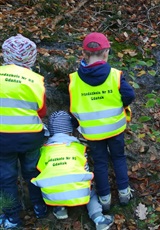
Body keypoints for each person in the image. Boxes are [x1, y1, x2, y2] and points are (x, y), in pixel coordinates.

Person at [68, 32, 136, 211]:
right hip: (115, 128)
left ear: (84, 54)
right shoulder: (115, 75)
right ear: (106, 53)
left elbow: (74, 107)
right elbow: (130, 95)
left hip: (92, 132)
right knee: (118, 158)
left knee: (100, 163)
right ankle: (124, 193)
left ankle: (104, 200)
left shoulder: (74, 80)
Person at [31, 111, 114, 230]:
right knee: (91, 192)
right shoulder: (78, 148)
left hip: (52, 196)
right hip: (80, 191)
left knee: (54, 183)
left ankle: (60, 209)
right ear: (71, 130)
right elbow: (84, 169)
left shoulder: (44, 151)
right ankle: (98, 218)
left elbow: (43, 171)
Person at [0, 34, 48, 228]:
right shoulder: (36, 80)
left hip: (2, 139)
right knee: (32, 172)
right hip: (31, 137)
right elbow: (42, 111)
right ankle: (40, 208)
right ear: (31, 57)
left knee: (6, 177)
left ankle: (12, 218)